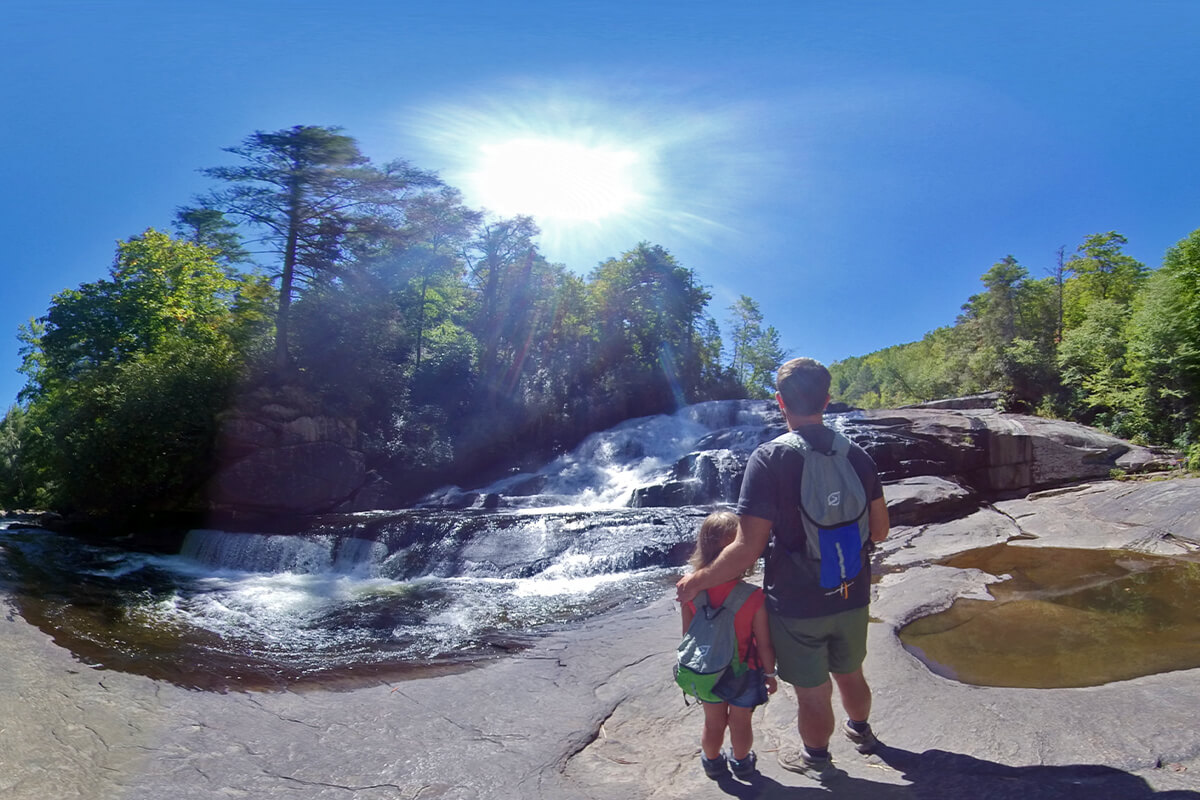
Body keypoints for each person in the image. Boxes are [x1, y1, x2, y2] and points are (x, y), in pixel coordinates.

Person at [676, 357, 890, 774]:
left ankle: (817, 760)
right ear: (827, 400)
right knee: (851, 671)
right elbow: (879, 531)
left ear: (780, 402)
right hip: (852, 589)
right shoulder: (858, 456)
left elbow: (747, 548)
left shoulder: (769, 457)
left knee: (813, 693)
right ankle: (862, 732)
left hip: (797, 602)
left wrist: (696, 580)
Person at [680, 510, 778, 780]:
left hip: (708, 669)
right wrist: (770, 674)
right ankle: (742, 762)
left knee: (713, 723)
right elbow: (765, 643)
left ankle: (712, 762)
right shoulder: (753, 596)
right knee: (740, 721)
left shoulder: (689, 591)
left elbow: (688, 636)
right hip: (744, 670)